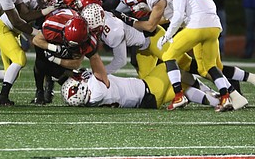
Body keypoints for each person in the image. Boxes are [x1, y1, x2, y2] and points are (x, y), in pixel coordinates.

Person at [156, 0, 246, 112]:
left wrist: (167, 35)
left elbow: (178, 15)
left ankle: (179, 96)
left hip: (197, 26)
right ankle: (225, 98)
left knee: (168, 56)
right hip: (215, 26)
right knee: (211, 66)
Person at [61, 63, 220, 109]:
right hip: (149, 88)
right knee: (170, 65)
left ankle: (218, 102)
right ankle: (211, 90)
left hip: (149, 101)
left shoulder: (90, 99)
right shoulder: (97, 90)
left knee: (184, 91)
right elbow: (98, 69)